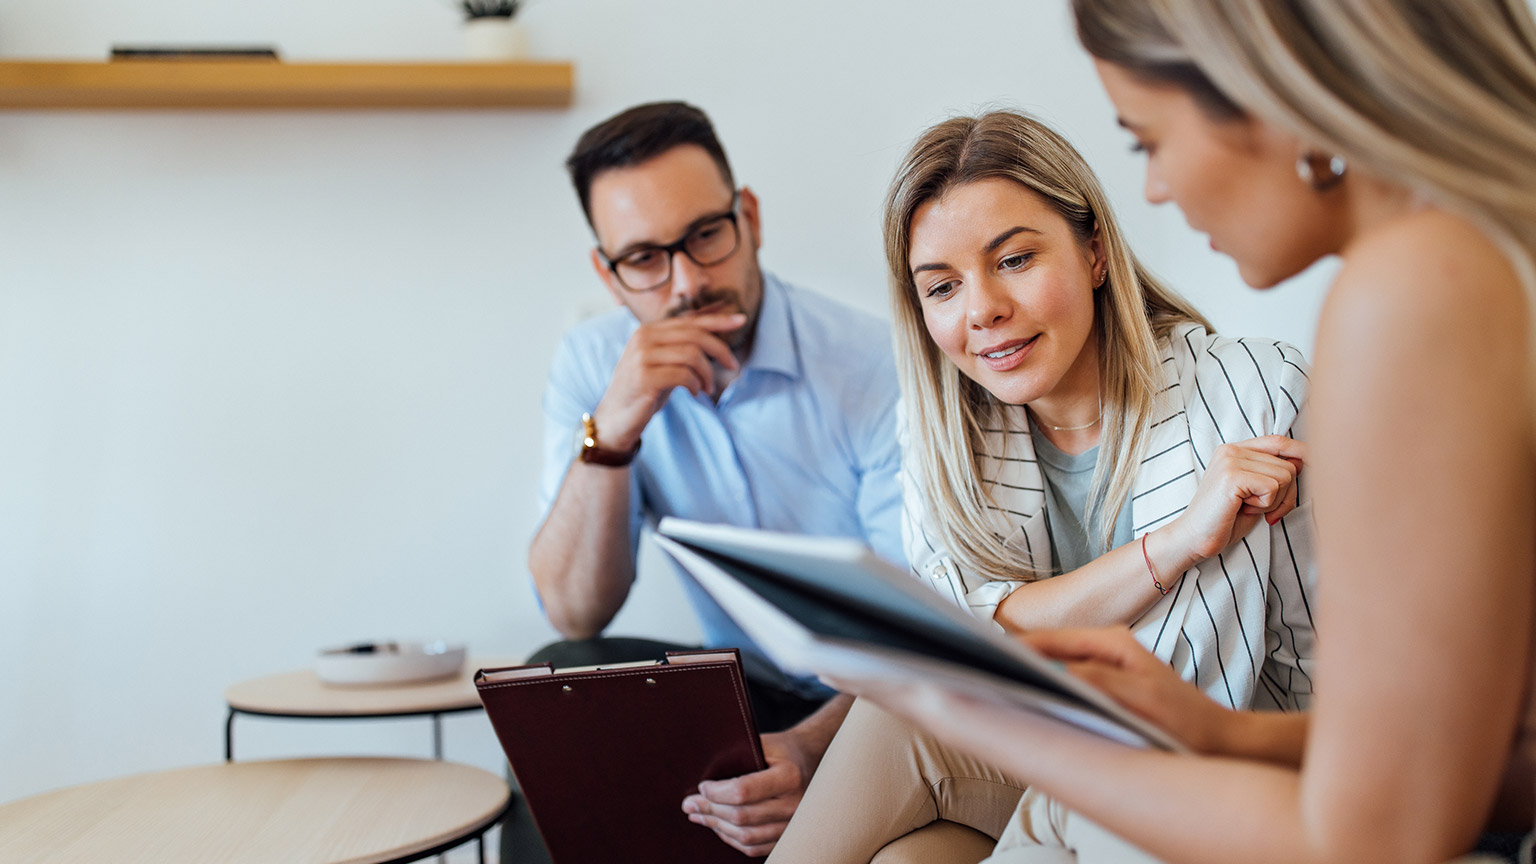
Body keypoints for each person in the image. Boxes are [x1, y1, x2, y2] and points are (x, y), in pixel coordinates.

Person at [816, 1, 1536, 862]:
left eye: (1146, 139)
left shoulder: (1407, 294)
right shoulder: (1472, 257)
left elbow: (1382, 830)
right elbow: (1474, 754)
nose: (1153, 188)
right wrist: (1210, 733)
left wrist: (976, 716)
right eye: (941, 286)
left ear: (1271, 96)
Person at [764, 109, 1319, 864]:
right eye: (943, 287)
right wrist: (1176, 544)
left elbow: (1326, 665)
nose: (983, 309)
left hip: (1229, 780)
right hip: (1059, 762)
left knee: (905, 731)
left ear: (1094, 252)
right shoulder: (939, 430)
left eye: (1016, 260)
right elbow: (974, 629)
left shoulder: (1250, 392)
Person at [511, 101, 905, 861]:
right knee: (555, 687)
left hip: (874, 690)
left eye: (705, 237)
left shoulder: (872, 369)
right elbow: (574, 609)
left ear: (748, 218)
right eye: (645, 260)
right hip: (736, 684)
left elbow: (923, 628)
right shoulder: (595, 368)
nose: (687, 283)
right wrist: (616, 430)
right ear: (608, 272)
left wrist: (816, 750)